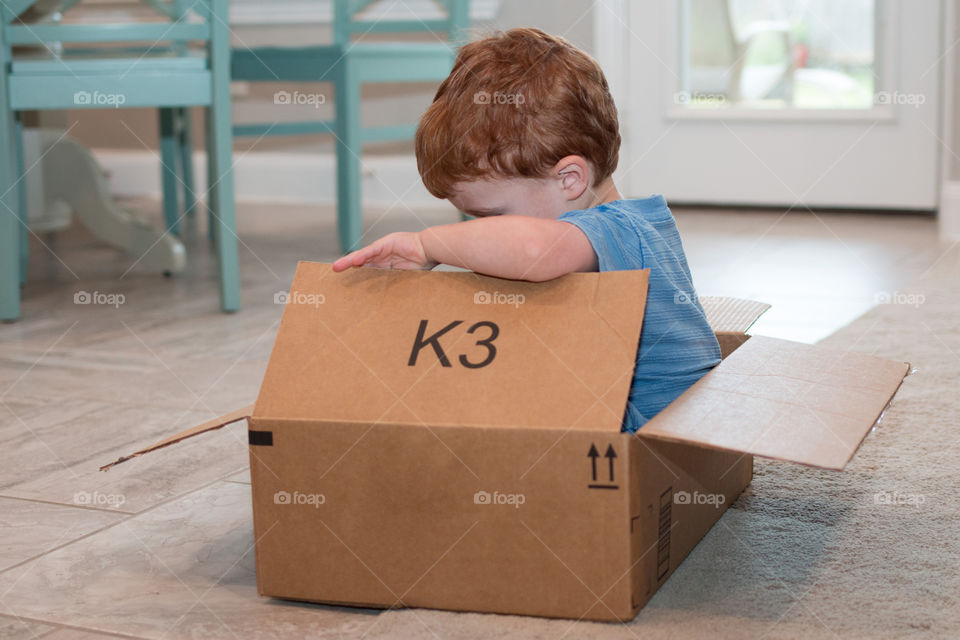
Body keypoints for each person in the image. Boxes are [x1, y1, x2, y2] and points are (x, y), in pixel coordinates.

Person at [332, 28, 719, 432]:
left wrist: (427, 245)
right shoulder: (635, 219)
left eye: (493, 216)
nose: (483, 232)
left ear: (570, 180)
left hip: (655, 433)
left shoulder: (613, 228)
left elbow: (533, 249)